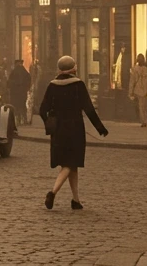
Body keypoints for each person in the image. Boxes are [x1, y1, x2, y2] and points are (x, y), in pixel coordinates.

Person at [39, 55, 108, 210]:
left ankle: (75, 200)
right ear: (73, 68)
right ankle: (52, 192)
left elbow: (42, 110)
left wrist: (50, 124)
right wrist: (100, 128)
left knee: (70, 164)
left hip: (58, 130)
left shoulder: (52, 85)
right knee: (71, 161)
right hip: (75, 128)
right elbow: (89, 109)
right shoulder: (78, 85)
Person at [129, 53, 147, 127]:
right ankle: (145, 120)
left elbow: (132, 81)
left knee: (140, 106)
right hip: (145, 89)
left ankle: (143, 121)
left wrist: (130, 91)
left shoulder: (134, 69)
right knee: (144, 105)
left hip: (137, 88)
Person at [8, 59, 31, 125]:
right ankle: (24, 119)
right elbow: (28, 81)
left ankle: (18, 119)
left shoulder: (13, 72)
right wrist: (26, 88)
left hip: (15, 93)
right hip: (22, 92)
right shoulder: (25, 72)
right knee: (22, 105)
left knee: (16, 105)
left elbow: (9, 82)